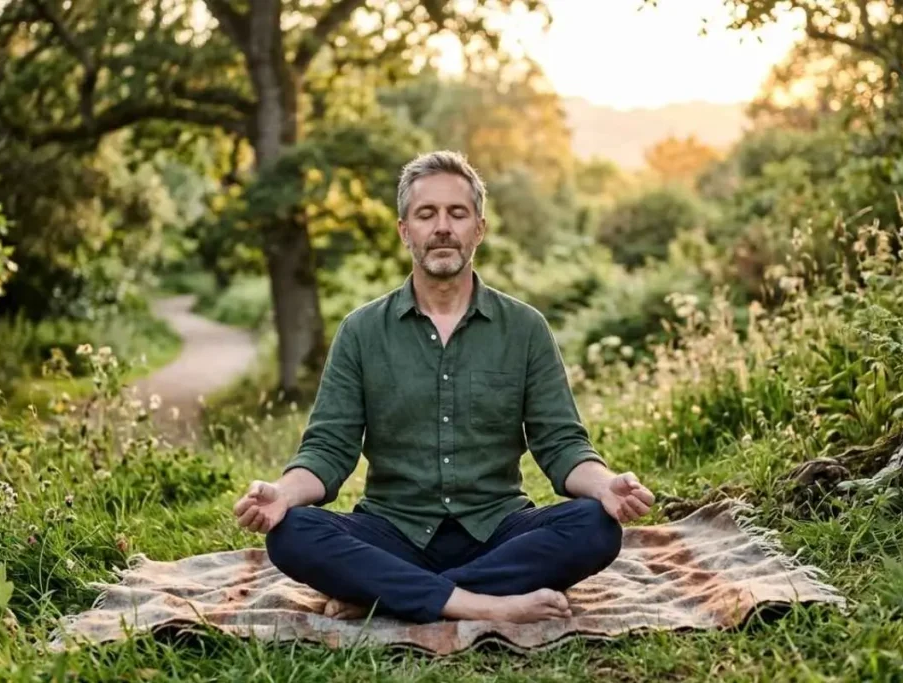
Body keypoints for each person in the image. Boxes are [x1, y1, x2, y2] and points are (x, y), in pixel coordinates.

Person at [233, 150, 655, 624]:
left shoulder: (525, 328)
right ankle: (478, 602)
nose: (442, 227)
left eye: (457, 213)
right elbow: (329, 449)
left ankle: (386, 593)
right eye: (426, 213)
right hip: (391, 531)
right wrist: (283, 494)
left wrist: (606, 485)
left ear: (479, 228)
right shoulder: (361, 331)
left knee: (596, 527)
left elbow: (560, 443)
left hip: (498, 530)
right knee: (292, 534)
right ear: (404, 230)